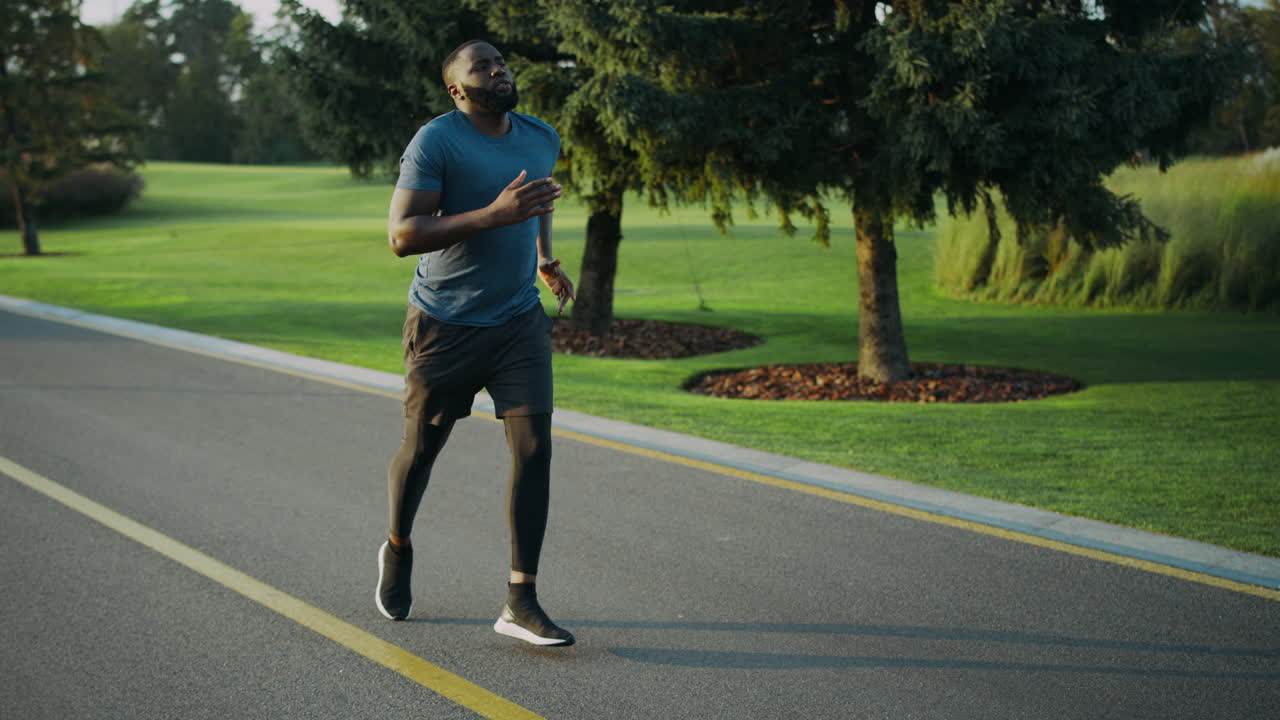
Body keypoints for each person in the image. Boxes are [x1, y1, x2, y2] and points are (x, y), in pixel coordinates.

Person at [376, 39, 577, 647]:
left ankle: (521, 599)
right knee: (423, 448)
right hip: (445, 323)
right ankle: (398, 544)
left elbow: (536, 198)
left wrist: (544, 258)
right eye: (481, 67)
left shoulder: (541, 135)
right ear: (457, 90)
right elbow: (402, 235)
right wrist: (492, 215)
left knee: (535, 445)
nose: (498, 70)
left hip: (517, 318)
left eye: (501, 63)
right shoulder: (436, 140)